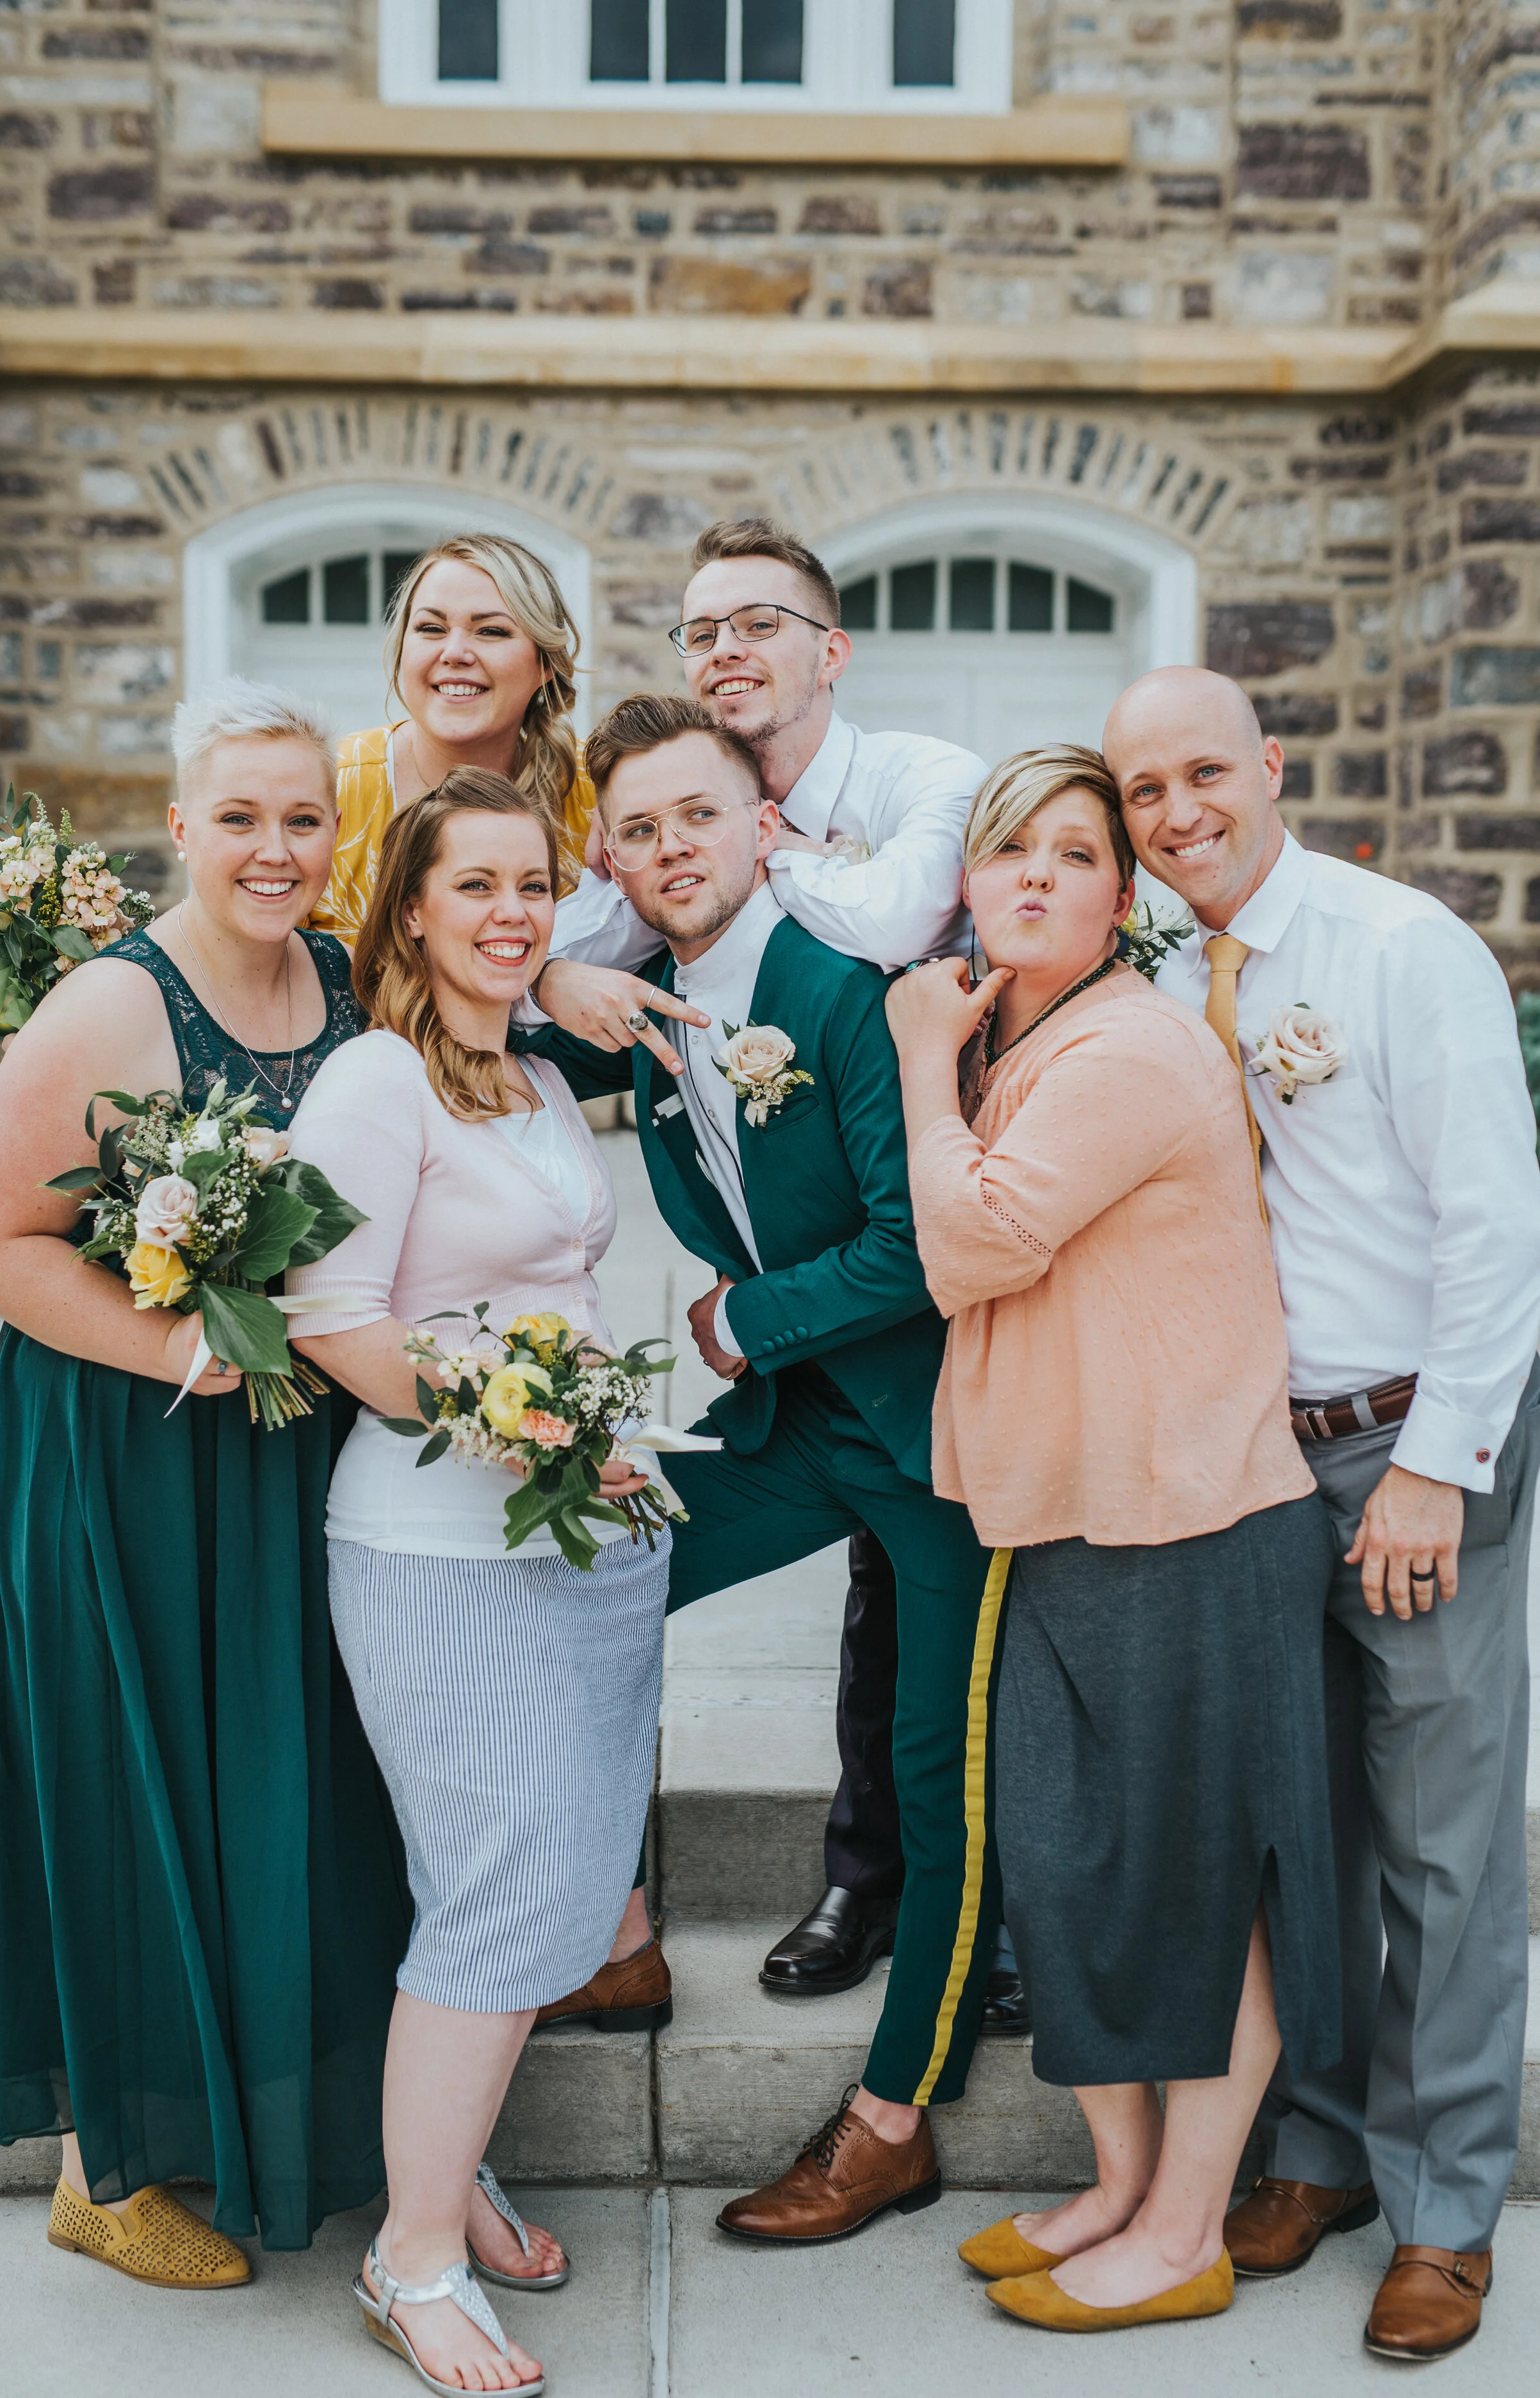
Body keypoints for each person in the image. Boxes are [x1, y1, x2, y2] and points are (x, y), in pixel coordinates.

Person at [0, 681, 412, 2283]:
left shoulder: (346, 985)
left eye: (302, 819)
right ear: (180, 827)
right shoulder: (109, 1007)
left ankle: (274, 2118)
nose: (274, 850)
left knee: (278, 1781)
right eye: (240, 819)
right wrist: (201, 1359)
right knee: (129, 1785)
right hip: (120, 1458)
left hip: (284, 1460)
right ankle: (106, 2168)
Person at [531, 516, 1023, 2028]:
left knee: (942, 1771)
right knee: (572, 1589)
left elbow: (917, 1242)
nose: (675, 847)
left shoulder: (858, 996)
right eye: (642, 830)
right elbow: (451, 1009)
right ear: (610, 858)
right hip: (803, 1427)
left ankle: (902, 2094)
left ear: (768, 831)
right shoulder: (643, 1005)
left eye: (702, 815)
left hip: (934, 1436)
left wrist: (748, 1315)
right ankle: (588, 1928)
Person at [1106, 665, 1540, 2363]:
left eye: (1200, 773)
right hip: (1249, 1465)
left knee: (1438, 1840)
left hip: (1402, 1446)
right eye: (1142, 791)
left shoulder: (1393, 946)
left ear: (1267, 766)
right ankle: (1319, 2151)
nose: (1175, 813)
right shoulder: (1151, 968)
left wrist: (1438, 1458)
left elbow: (1493, 1228)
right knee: (1307, 1840)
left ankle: (1443, 2208)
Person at [888, 744, 1338, 2333]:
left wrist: (910, 1059)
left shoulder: (1129, 1051)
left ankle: (1186, 2231)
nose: (1031, 876)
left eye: (1073, 856)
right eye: (1006, 850)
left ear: (1121, 895)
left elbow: (976, 1241)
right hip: (1074, 1515)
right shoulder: (1031, 1038)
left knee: (1202, 1883)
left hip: (1192, 1519)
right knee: (1080, 1872)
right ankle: (1121, 2189)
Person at [286, 769, 669, 2397]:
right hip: (442, 1545)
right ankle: (411, 2258)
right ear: (416, 911)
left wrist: (602, 1440)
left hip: (589, 1538)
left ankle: (456, 2172)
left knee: (565, 1887)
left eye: (535, 885)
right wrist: (529, 1421)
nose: (513, 913)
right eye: (478, 887)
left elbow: (556, 1292)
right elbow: (336, 1326)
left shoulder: (526, 1081)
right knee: (501, 1887)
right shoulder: (378, 1082)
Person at [307, 531, 596, 945]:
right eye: (431, 627)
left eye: (491, 631)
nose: (455, 652)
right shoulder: (330, 787)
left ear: (545, 665)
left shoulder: (599, 792)